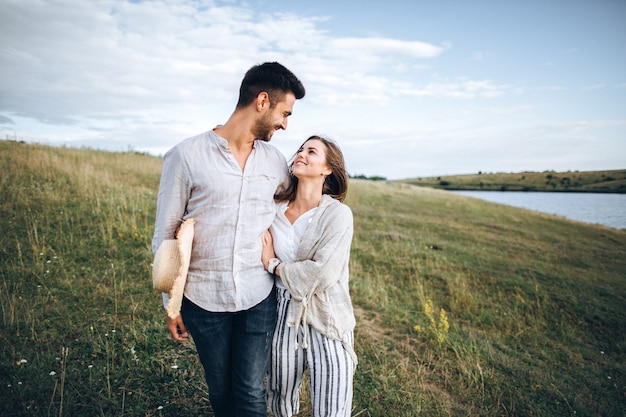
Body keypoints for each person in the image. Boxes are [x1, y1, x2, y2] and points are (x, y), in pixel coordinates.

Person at [151, 62, 305, 417]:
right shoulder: (186, 156)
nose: (286, 124)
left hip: (257, 296)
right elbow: (165, 233)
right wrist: (170, 303)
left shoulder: (276, 161)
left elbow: (289, 201)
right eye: (285, 113)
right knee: (220, 392)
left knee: (250, 393)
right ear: (262, 101)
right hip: (203, 300)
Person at [261, 135, 357, 417]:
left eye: (311, 151)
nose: (301, 154)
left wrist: (274, 265)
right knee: (280, 398)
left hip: (327, 317)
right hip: (282, 314)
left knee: (332, 406)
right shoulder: (273, 209)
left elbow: (321, 274)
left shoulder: (338, 215)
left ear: (327, 169)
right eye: (301, 149)